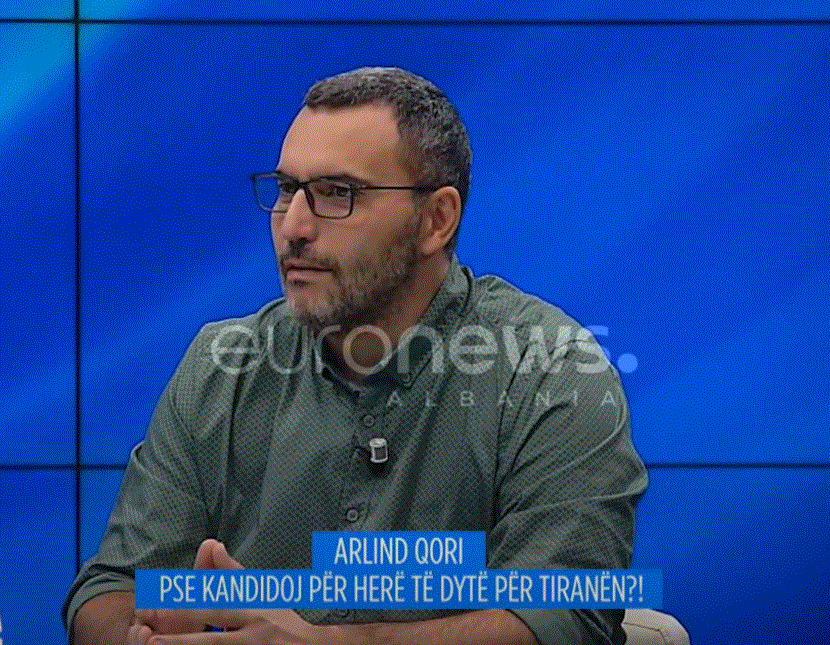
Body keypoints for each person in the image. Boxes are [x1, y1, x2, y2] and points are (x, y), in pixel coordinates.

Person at [64, 66, 647, 645]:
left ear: (436, 220)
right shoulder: (223, 365)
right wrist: (145, 632)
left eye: (336, 194)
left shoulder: (550, 371)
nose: (294, 226)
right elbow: (109, 590)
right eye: (286, 190)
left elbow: (566, 618)